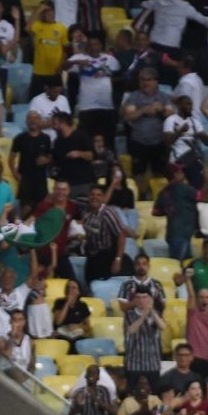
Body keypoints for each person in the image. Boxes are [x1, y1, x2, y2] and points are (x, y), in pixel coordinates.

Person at [123, 68, 174, 198]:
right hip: (138, 142)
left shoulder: (163, 97)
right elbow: (128, 116)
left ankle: (159, 198)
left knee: (159, 174)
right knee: (138, 174)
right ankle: (141, 197)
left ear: (156, 81)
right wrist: (144, 110)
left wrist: (161, 110)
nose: (145, 83)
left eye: (148, 80)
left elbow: (171, 115)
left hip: (159, 142)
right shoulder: (134, 96)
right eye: (142, 80)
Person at [0, 243, 38, 342]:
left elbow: (34, 274)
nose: (7, 280)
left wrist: (32, 249)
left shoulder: (21, 292)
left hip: (14, 340)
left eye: (10, 277)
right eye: (5, 277)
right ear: (1, 278)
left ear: (15, 279)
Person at [82, 185, 132, 283]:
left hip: (108, 256)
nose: (94, 197)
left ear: (103, 198)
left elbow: (121, 234)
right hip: (92, 256)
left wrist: (118, 259)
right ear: (88, 196)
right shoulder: (85, 212)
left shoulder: (108, 213)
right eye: (92, 194)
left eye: (98, 195)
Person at [123, 284, 166, 393]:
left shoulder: (156, 314)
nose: (141, 300)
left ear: (150, 299)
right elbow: (131, 330)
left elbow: (162, 326)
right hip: (134, 363)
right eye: (138, 297)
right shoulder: (129, 314)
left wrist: (151, 311)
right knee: (132, 393)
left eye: (144, 297)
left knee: (155, 393)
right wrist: (144, 315)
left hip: (152, 364)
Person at [9, 112, 53, 210]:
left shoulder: (46, 138)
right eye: (30, 118)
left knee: (40, 209)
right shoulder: (20, 138)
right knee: (25, 209)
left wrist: (46, 160)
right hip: (25, 180)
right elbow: (11, 159)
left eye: (36, 118)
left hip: (40, 180)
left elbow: (51, 157)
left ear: (40, 121)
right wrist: (15, 174)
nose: (33, 120)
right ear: (26, 121)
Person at [28, 2, 69, 99]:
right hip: (39, 72)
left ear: (54, 13)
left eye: (50, 12)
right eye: (45, 12)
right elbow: (27, 28)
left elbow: (65, 49)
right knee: (36, 101)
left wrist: (61, 65)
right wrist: (38, 10)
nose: (48, 15)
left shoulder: (62, 28)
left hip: (55, 72)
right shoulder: (38, 25)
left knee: (57, 101)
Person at [183, 271, 208, 379]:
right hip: (195, 360)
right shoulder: (193, 314)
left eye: (207, 297)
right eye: (201, 297)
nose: (204, 299)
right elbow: (191, 296)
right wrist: (188, 279)